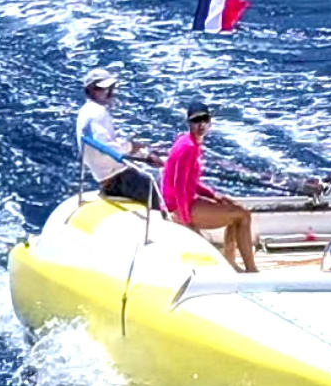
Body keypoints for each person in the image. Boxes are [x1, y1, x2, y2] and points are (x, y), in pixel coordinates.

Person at [157, 99, 260, 272]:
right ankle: (250, 270)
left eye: (204, 119)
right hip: (180, 207)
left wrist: (214, 196)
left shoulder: (192, 143)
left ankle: (230, 262)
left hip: (187, 202)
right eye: (196, 121)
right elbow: (179, 185)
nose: (201, 124)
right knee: (243, 216)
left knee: (236, 210)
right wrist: (185, 219)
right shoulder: (188, 147)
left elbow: (191, 182)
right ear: (189, 123)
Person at [76, 72, 155, 207]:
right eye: (104, 89)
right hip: (119, 181)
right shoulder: (97, 113)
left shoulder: (85, 111)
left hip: (106, 180)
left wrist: (142, 154)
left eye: (111, 88)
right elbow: (108, 149)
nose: (110, 93)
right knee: (168, 193)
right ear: (90, 90)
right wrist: (131, 146)